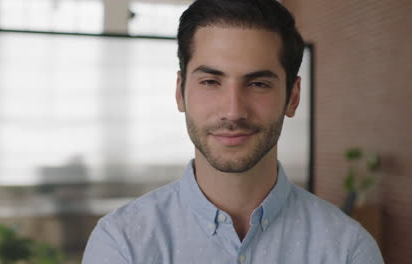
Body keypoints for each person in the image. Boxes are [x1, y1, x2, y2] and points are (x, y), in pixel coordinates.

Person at [82, 0, 384, 263]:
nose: (233, 111)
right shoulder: (122, 244)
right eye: (211, 82)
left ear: (293, 97)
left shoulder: (347, 250)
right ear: (180, 92)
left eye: (258, 84)